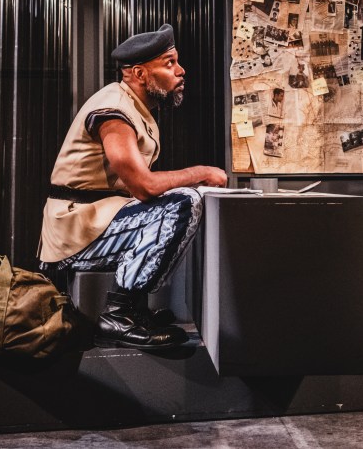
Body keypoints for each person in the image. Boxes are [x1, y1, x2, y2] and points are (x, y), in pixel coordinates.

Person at [37, 24, 227, 350]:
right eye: (169, 63)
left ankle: (135, 309)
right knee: (183, 203)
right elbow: (144, 186)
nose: (181, 71)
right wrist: (200, 173)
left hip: (96, 220)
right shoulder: (114, 110)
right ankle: (119, 313)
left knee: (180, 199)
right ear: (140, 73)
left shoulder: (135, 107)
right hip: (74, 231)